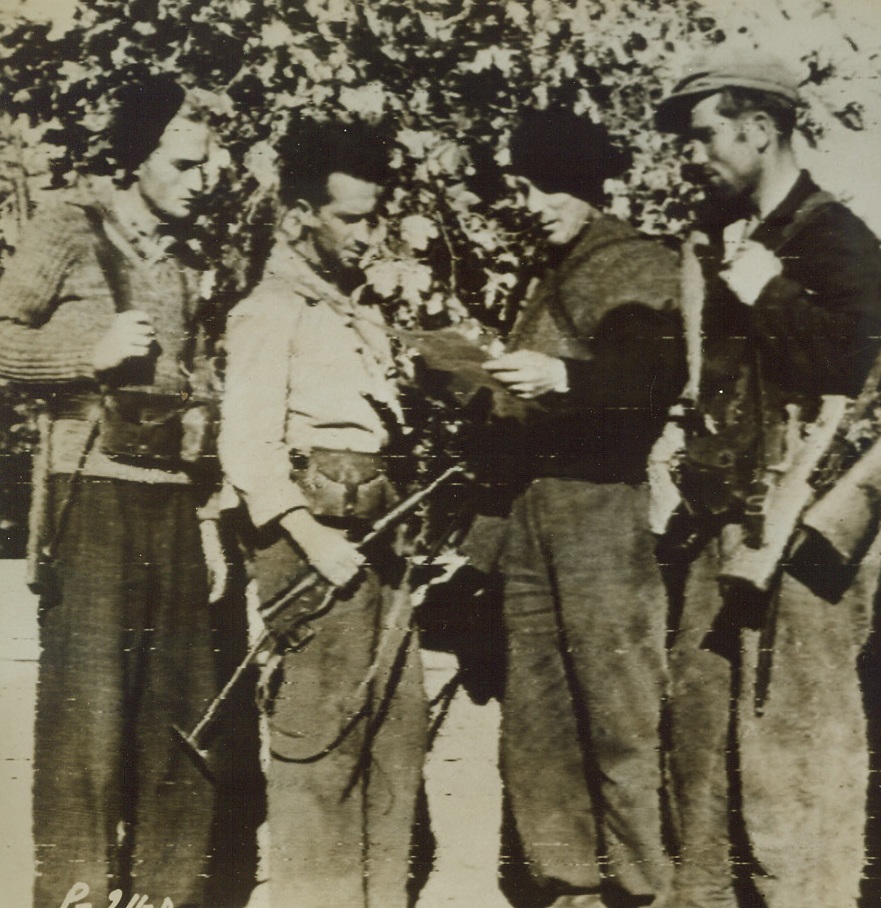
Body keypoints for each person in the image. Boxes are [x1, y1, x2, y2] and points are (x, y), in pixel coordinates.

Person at [653, 55, 881, 908]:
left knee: (794, 748)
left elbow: (865, 374)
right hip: (723, 520)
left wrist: (773, 293)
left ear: (760, 128)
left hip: (797, 534)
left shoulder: (836, 240)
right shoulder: (718, 238)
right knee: (700, 741)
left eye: (705, 134)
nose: (692, 155)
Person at [0, 76, 223, 907]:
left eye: (208, 167)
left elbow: (199, 386)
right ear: (137, 160)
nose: (200, 181)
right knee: (86, 719)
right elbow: (2, 337)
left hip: (171, 497)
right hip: (87, 492)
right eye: (184, 164)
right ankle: (77, 892)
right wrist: (86, 351)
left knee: (178, 714)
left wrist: (207, 511)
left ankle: (169, 891)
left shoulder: (188, 260)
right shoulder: (66, 225)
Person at [465, 106, 684, 908]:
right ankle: (565, 883)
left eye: (553, 186)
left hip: (601, 511)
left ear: (589, 186)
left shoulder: (635, 265)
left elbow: (649, 387)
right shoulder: (545, 272)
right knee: (538, 716)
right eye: (526, 187)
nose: (536, 201)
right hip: (531, 512)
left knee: (618, 712)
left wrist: (559, 381)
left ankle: (641, 886)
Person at [219, 119, 428, 908]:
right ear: (301, 214)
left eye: (375, 215)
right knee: (320, 753)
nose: (368, 235)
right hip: (314, 554)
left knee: (392, 739)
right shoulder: (270, 310)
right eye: (351, 217)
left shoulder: (356, 310)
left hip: (379, 547)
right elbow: (248, 453)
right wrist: (314, 544)